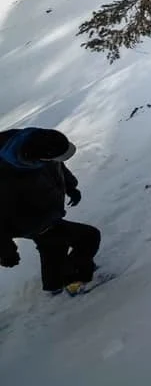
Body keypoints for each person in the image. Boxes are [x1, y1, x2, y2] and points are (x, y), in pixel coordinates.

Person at [0, 127, 101, 296]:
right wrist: (6, 252)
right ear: (39, 158)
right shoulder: (5, 176)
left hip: (44, 213)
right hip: (28, 222)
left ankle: (53, 284)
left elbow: (57, 164)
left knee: (52, 244)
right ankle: (74, 279)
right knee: (89, 237)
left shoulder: (34, 140)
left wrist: (70, 186)